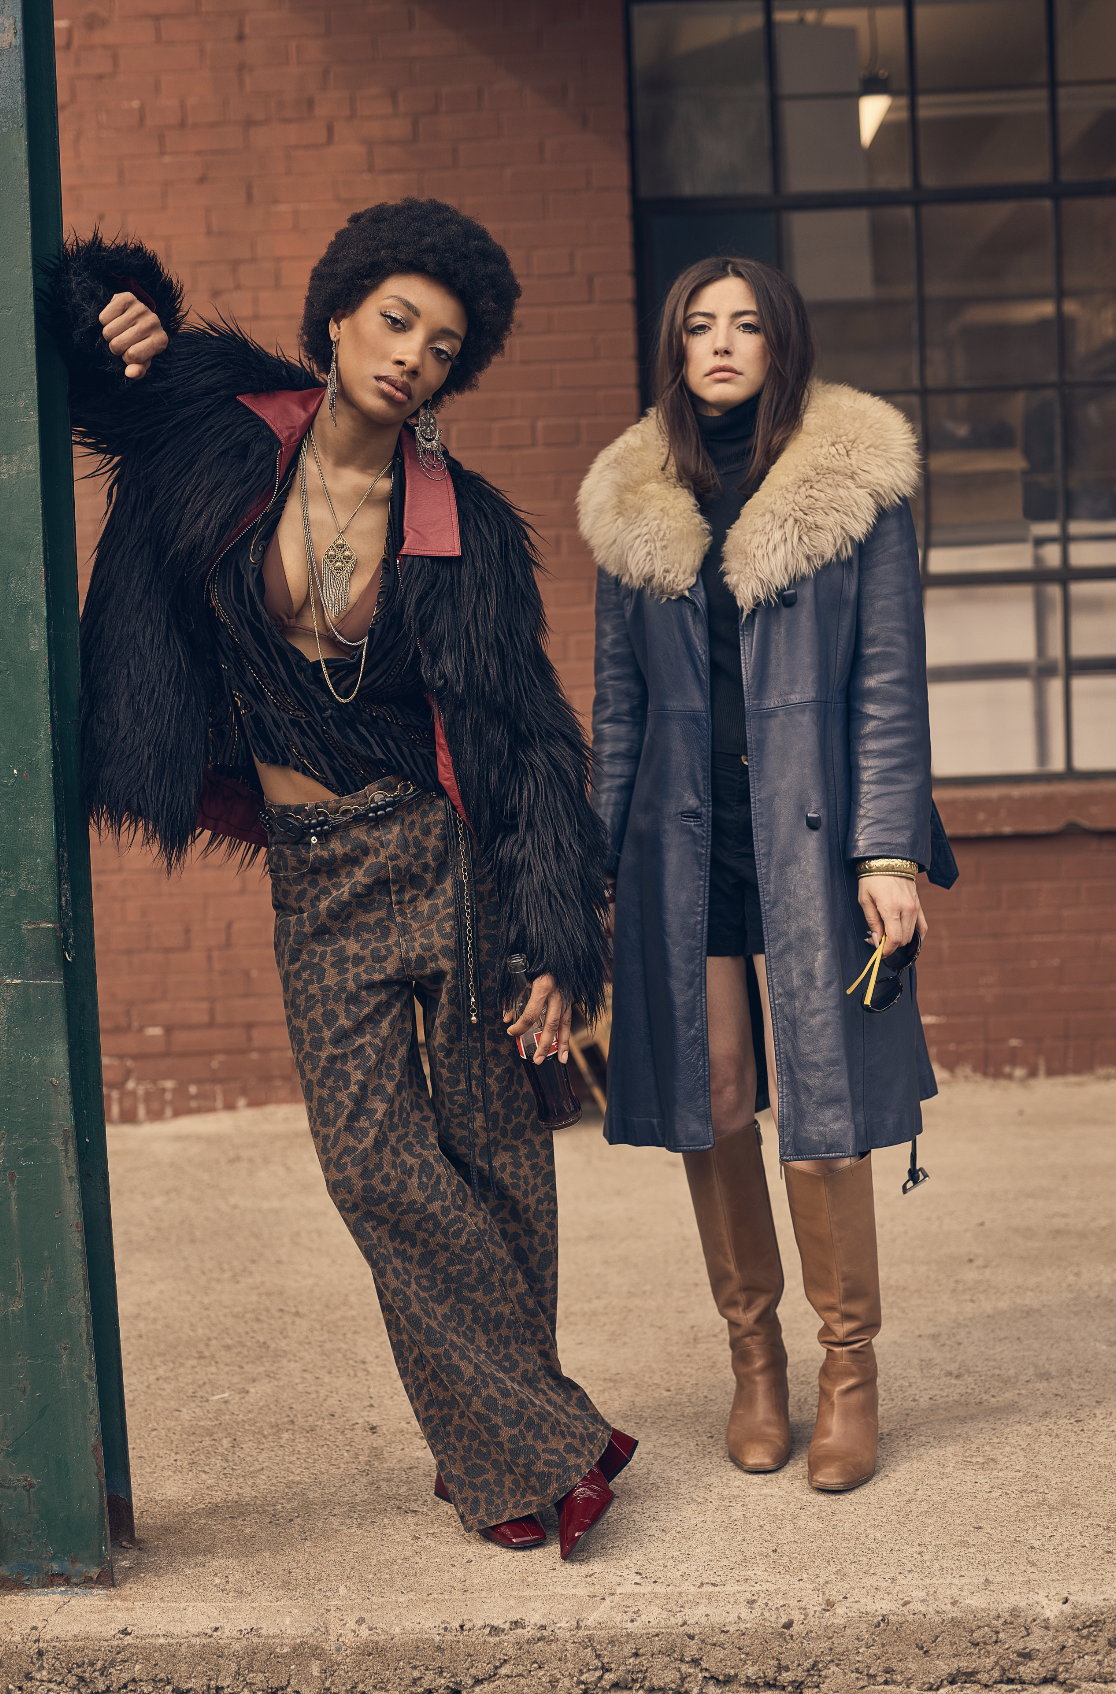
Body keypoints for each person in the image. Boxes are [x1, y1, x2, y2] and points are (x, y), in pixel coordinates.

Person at [42, 200, 637, 1556]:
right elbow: (86, 370)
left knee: (492, 1155)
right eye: (394, 319)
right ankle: (554, 1428)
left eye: (442, 343)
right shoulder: (215, 422)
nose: (412, 353)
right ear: (337, 316)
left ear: (450, 377)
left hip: (446, 852)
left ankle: (500, 1460)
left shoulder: (464, 527)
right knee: (374, 1162)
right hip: (316, 872)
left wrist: (559, 935)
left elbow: (532, 734)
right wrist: (109, 299)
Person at [580, 255, 956, 1494]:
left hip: (817, 838)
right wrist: (594, 877)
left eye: (746, 322)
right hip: (684, 849)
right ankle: (756, 1359)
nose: (723, 342)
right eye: (701, 324)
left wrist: (889, 848)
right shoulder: (635, 504)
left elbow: (890, 683)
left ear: (781, 341)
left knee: (826, 1100)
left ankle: (850, 1368)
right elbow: (620, 712)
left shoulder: (855, 491)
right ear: (676, 349)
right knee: (718, 1088)